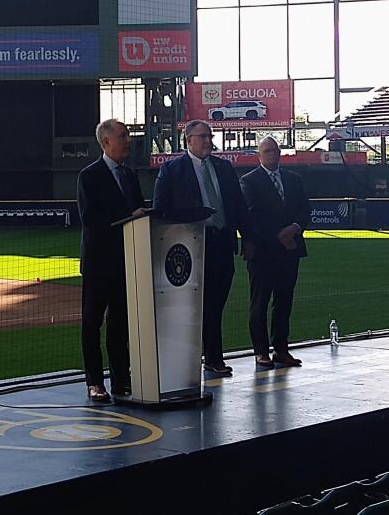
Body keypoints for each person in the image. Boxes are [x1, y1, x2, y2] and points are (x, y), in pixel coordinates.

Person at [152, 119, 250, 375]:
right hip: (190, 245)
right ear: (189, 140)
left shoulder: (224, 168)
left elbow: (238, 207)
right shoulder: (172, 170)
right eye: (203, 136)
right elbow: (161, 210)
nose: (209, 140)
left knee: (216, 303)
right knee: (193, 305)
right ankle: (194, 359)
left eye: (210, 136)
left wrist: (246, 238)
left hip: (221, 242)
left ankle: (213, 357)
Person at [77, 119, 145, 402]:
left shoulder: (130, 175)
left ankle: (120, 380)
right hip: (98, 264)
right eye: (122, 135)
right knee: (92, 324)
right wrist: (129, 219)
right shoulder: (89, 176)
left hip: (127, 261)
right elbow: (90, 218)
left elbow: (140, 210)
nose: (128, 139)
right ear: (106, 142)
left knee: (120, 325)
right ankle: (94, 382)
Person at [240, 137, 309, 369]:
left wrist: (294, 229)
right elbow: (251, 217)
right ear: (258, 155)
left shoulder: (294, 179)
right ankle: (261, 351)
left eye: (275, 150)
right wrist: (280, 236)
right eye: (267, 151)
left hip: (290, 251)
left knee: (284, 301)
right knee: (259, 302)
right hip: (263, 252)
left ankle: (281, 349)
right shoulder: (249, 181)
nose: (272, 154)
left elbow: (304, 210)